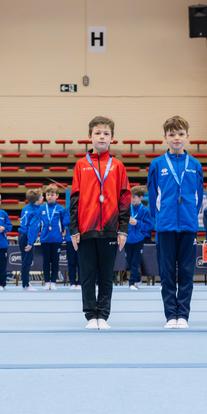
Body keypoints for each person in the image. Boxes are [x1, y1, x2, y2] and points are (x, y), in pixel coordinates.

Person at [70, 116, 130, 330]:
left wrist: (123, 229)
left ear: (112, 138)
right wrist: (74, 229)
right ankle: (90, 314)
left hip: (110, 229)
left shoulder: (118, 166)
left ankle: (103, 314)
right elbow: (74, 198)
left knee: (106, 275)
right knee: (87, 275)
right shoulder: (80, 165)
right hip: (86, 229)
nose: (101, 137)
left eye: (106, 133)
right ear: (90, 137)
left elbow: (124, 198)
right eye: (97, 133)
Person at [147, 116, 203, 329]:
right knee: (167, 272)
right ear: (165, 138)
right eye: (172, 135)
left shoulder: (195, 165)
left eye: (180, 134)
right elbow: (153, 198)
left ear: (187, 137)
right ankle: (171, 315)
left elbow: (198, 196)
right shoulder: (157, 164)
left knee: (187, 272)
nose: (176, 138)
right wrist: (160, 220)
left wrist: (190, 215)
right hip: (166, 226)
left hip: (188, 226)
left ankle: (184, 316)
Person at [37, 184, 70, 290]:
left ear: (57, 196)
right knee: (46, 261)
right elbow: (37, 223)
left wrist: (64, 231)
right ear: (45, 196)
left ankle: (54, 281)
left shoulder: (60, 209)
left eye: (52, 194)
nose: (50, 196)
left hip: (56, 239)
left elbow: (64, 223)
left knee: (55, 261)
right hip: (45, 239)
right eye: (48, 194)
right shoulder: (41, 208)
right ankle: (47, 282)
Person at [125, 185, 152, 291]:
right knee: (129, 260)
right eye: (131, 198)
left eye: (134, 197)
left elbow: (149, 226)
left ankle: (132, 282)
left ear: (140, 198)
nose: (132, 200)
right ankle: (137, 278)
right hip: (128, 239)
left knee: (135, 261)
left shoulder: (145, 211)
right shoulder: (127, 209)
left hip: (139, 239)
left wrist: (137, 223)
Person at [18, 189, 42, 290]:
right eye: (41, 197)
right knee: (27, 261)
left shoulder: (25, 208)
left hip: (21, 235)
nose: (43, 198)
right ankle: (26, 284)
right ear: (37, 200)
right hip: (27, 236)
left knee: (25, 259)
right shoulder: (36, 211)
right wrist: (30, 242)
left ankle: (25, 283)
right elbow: (33, 228)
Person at [0, 194, 12, 290]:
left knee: (2, 265)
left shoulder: (3, 213)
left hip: (2, 245)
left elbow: (10, 226)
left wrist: (4, 228)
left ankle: (2, 284)